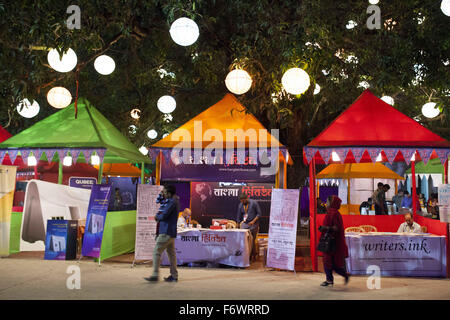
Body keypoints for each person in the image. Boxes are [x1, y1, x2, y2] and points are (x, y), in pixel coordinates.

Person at [145, 184, 180, 282]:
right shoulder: (174, 200)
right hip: (170, 232)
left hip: (166, 231)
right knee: (171, 254)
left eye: (165, 192)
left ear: (169, 193)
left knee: (156, 252)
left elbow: (164, 215)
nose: (163, 194)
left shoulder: (171, 202)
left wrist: (157, 217)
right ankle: (174, 276)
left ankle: (155, 275)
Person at [319, 195, 349, 287]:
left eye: (328, 202)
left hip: (332, 242)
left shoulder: (333, 213)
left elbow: (336, 228)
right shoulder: (333, 212)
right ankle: (332, 279)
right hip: (331, 240)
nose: (326, 203)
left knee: (330, 262)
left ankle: (333, 279)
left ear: (332, 203)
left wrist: (325, 228)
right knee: (330, 262)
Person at [236, 192, 261, 261]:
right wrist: (238, 224)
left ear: (247, 198)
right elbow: (238, 216)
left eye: (243, 200)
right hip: (245, 224)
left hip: (253, 224)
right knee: (243, 239)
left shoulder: (254, 203)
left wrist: (253, 221)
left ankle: (251, 256)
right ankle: (244, 255)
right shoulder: (241, 205)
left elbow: (259, 214)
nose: (242, 202)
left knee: (251, 239)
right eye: (241, 201)